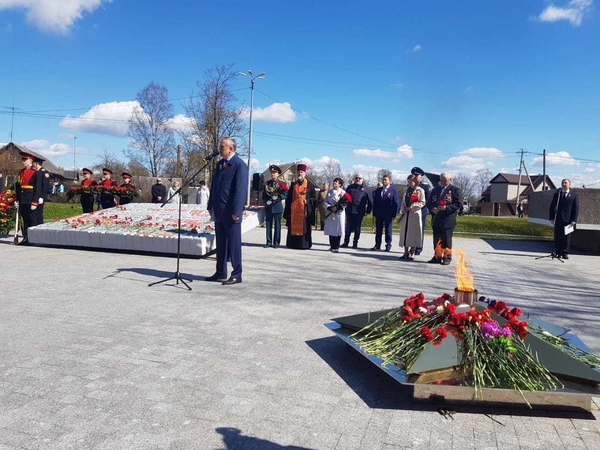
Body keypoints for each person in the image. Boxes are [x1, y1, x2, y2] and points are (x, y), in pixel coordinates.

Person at [205, 137, 248, 285]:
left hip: (231, 212)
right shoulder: (219, 164)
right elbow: (215, 187)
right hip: (218, 210)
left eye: (222, 146)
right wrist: (210, 206)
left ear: (231, 149)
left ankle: (237, 274)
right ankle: (221, 271)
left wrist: (237, 210)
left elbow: (240, 190)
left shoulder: (239, 164)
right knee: (221, 243)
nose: (220, 148)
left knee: (234, 244)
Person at [426, 172, 462, 265]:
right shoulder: (435, 190)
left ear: (450, 180)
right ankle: (437, 256)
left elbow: (458, 204)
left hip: (447, 219)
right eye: (441, 180)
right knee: (436, 239)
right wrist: (432, 209)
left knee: (446, 240)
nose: (442, 182)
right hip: (436, 218)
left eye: (445, 180)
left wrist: (446, 208)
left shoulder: (455, 190)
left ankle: (447, 257)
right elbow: (429, 202)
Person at [283, 163, 317, 250]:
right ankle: (293, 244)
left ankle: (304, 245)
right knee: (293, 227)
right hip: (294, 211)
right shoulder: (293, 185)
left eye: (301, 172)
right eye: (298, 172)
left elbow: (314, 198)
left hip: (304, 211)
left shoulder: (310, 185)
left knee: (304, 228)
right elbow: (289, 198)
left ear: (305, 173)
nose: (300, 174)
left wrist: (307, 201)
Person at [15, 152, 42, 245]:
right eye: (22, 159)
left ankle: (33, 238)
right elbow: (18, 187)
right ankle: (25, 237)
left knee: (32, 219)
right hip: (22, 198)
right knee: (25, 219)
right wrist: (17, 199)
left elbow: (38, 189)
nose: (23, 161)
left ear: (31, 160)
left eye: (25, 159)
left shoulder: (35, 173)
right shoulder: (21, 172)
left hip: (30, 198)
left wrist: (35, 201)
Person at [549, 179, 579, 260]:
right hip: (558, 219)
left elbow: (576, 208)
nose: (564, 184)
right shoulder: (558, 194)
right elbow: (552, 207)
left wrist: (574, 220)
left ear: (569, 184)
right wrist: (552, 218)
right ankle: (557, 252)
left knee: (566, 237)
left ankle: (565, 252)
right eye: (563, 183)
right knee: (558, 236)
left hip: (568, 220)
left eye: (565, 183)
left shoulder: (574, 195)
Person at [398, 174, 426, 260]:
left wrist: (412, 207)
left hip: (414, 214)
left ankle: (413, 252)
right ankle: (405, 251)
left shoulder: (420, 190)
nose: (410, 183)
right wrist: (402, 209)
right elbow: (402, 201)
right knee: (405, 232)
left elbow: (422, 202)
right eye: (408, 182)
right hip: (406, 214)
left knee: (413, 233)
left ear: (415, 181)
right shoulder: (406, 190)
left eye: (411, 182)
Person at [341, 173, 372, 249]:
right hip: (350, 210)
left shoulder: (366, 188)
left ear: (363, 179)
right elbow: (345, 198)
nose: (358, 179)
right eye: (356, 178)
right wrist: (343, 207)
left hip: (360, 211)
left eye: (359, 178)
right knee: (348, 227)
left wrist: (368, 211)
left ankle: (355, 243)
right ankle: (346, 242)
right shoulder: (350, 187)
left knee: (357, 228)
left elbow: (370, 201)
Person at [371, 174, 400, 252]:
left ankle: (388, 245)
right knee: (378, 230)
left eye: (386, 180)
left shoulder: (393, 190)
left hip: (389, 214)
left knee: (388, 230)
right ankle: (377, 245)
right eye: (383, 179)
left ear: (390, 181)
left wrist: (394, 214)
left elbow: (396, 203)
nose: (384, 181)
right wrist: (374, 214)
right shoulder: (378, 190)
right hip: (379, 214)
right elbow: (375, 203)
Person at [262, 165, 287, 248]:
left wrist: (278, 198)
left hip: (277, 206)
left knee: (277, 226)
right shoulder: (267, 183)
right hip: (269, 207)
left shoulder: (282, 183)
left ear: (278, 174)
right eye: (272, 173)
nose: (273, 174)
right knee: (268, 225)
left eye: (275, 173)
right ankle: (268, 242)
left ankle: (276, 242)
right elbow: (264, 196)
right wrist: (267, 201)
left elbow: (285, 194)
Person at [411, 167, 431, 255]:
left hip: (421, 211)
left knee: (419, 230)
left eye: (417, 175)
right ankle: (411, 247)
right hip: (412, 211)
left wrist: (425, 208)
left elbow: (428, 199)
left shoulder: (425, 186)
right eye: (414, 175)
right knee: (411, 230)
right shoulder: (411, 186)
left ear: (421, 176)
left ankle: (418, 248)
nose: (415, 177)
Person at [323, 178, 346, 253]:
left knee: (338, 230)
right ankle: (332, 245)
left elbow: (346, 203)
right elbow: (325, 201)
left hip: (339, 213)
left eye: (336, 182)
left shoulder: (343, 192)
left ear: (340, 184)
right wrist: (330, 207)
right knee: (331, 229)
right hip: (331, 212)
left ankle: (336, 246)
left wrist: (338, 207)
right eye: (334, 182)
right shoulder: (329, 192)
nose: (334, 183)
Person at [31, 156, 50, 225]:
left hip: (40, 197)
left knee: (39, 214)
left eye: (33, 163)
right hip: (35, 196)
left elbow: (45, 186)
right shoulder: (36, 172)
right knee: (34, 214)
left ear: (36, 163)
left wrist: (42, 196)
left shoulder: (44, 172)